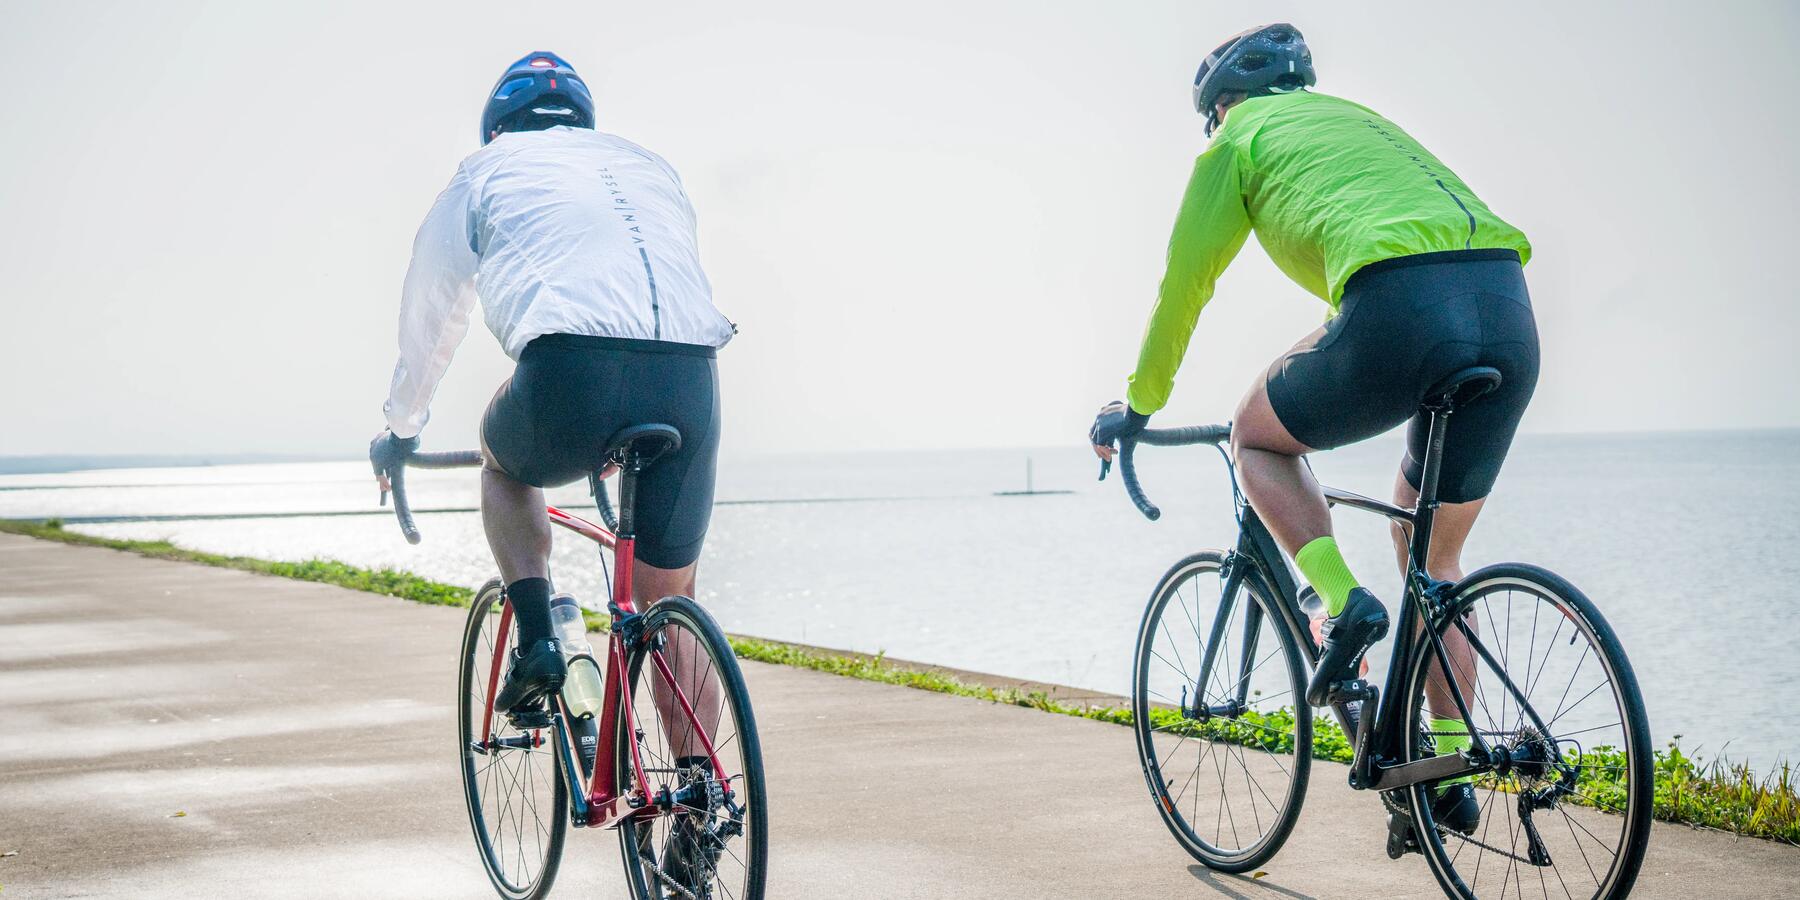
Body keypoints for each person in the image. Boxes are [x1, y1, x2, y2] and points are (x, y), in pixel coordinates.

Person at [1088, 23, 1538, 834]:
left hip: (1401, 304)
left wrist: (1139, 405)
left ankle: (1341, 599)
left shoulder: (1236, 142)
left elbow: (1183, 285)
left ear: (1220, 106)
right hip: (1507, 307)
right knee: (1432, 560)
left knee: (1255, 437)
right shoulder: (1354, 120)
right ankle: (1444, 769)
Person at [367, 51, 733, 730]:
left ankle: (537, 638)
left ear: (498, 128)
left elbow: (434, 310)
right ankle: (702, 805)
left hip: (572, 367)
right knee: (669, 600)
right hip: (691, 375)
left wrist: (403, 426)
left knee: (499, 460)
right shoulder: (648, 165)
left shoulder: (484, 170)